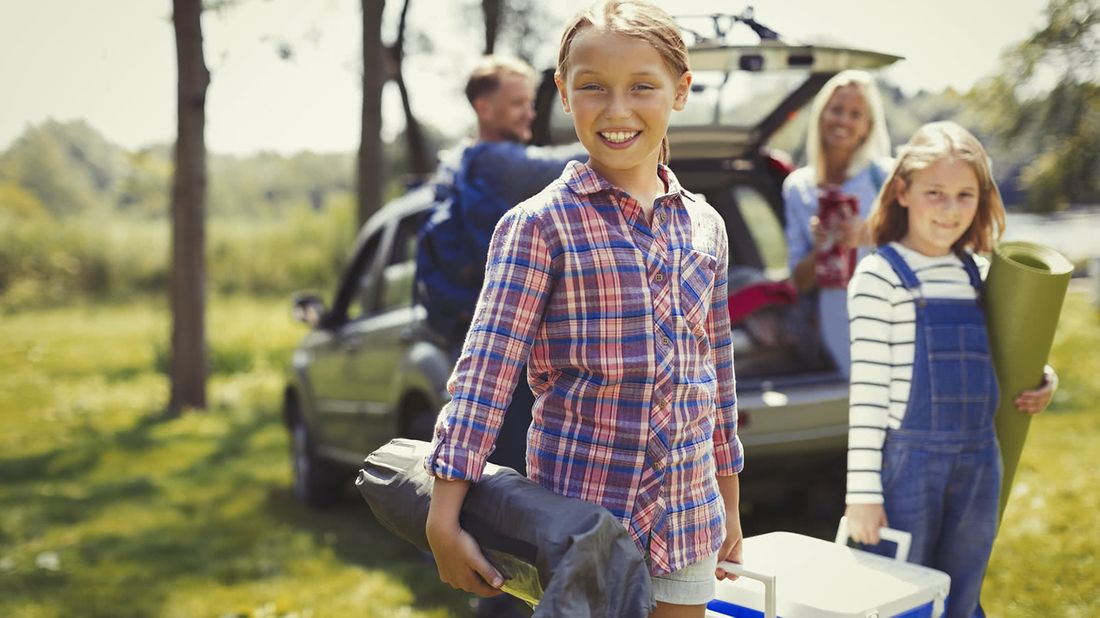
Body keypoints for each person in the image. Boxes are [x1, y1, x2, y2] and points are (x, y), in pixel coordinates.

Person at [424, 2, 744, 616]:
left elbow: (717, 378)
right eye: (593, 86)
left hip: (689, 519)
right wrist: (444, 516)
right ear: (564, 94)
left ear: (680, 92)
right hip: (582, 523)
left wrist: (728, 502)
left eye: (642, 87)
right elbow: (484, 377)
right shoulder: (537, 225)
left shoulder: (706, 226)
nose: (617, 110)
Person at [843, 121, 1058, 618]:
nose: (950, 209)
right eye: (934, 193)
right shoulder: (880, 277)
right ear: (902, 191)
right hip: (908, 466)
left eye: (965, 195)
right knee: (898, 595)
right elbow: (869, 396)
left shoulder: (978, 272)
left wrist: (1045, 378)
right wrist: (863, 495)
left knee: (960, 596)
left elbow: (1011, 349)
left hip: (980, 462)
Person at [417, 55, 583, 477]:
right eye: (518, 103)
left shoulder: (458, 163)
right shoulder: (497, 161)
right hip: (513, 340)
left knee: (487, 462)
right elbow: (583, 156)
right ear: (484, 108)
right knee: (510, 466)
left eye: (530, 102)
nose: (530, 112)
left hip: (473, 326)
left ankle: (458, 533)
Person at [783, 70, 893, 377]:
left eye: (855, 114)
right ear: (821, 115)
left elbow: (921, 243)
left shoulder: (886, 177)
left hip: (887, 315)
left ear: (867, 127)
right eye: (836, 110)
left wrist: (867, 232)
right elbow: (800, 283)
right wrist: (823, 248)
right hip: (834, 323)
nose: (843, 120)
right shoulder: (798, 188)